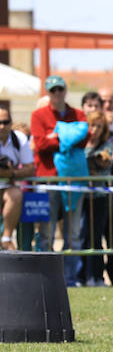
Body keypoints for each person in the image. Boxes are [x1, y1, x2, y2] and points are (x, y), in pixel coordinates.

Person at [30, 75, 88, 273]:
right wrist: (69, 136)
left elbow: (84, 140)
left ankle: (72, 275)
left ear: (65, 90)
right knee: (47, 231)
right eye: (53, 90)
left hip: (74, 179)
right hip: (48, 179)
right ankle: (45, 274)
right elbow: (40, 144)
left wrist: (56, 136)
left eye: (60, 89)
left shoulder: (78, 114)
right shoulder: (39, 115)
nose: (57, 93)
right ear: (48, 92)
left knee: (73, 232)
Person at [80, 111, 113, 286]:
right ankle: (81, 275)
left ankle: (96, 276)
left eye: (99, 126)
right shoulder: (80, 145)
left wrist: (91, 164)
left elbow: (103, 163)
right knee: (80, 236)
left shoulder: (107, 145)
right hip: (80, 197)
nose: (95, 130)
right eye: (92, 125)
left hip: (99, 197)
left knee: (95, 237)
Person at [0, 107, 34, 250]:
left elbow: (30, 167)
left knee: (16, 195)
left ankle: (6, 239)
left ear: (11, 122)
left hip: (8, 186)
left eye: (5, 122)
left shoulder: (19, 139)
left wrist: (11, 173)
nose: (2, 126)